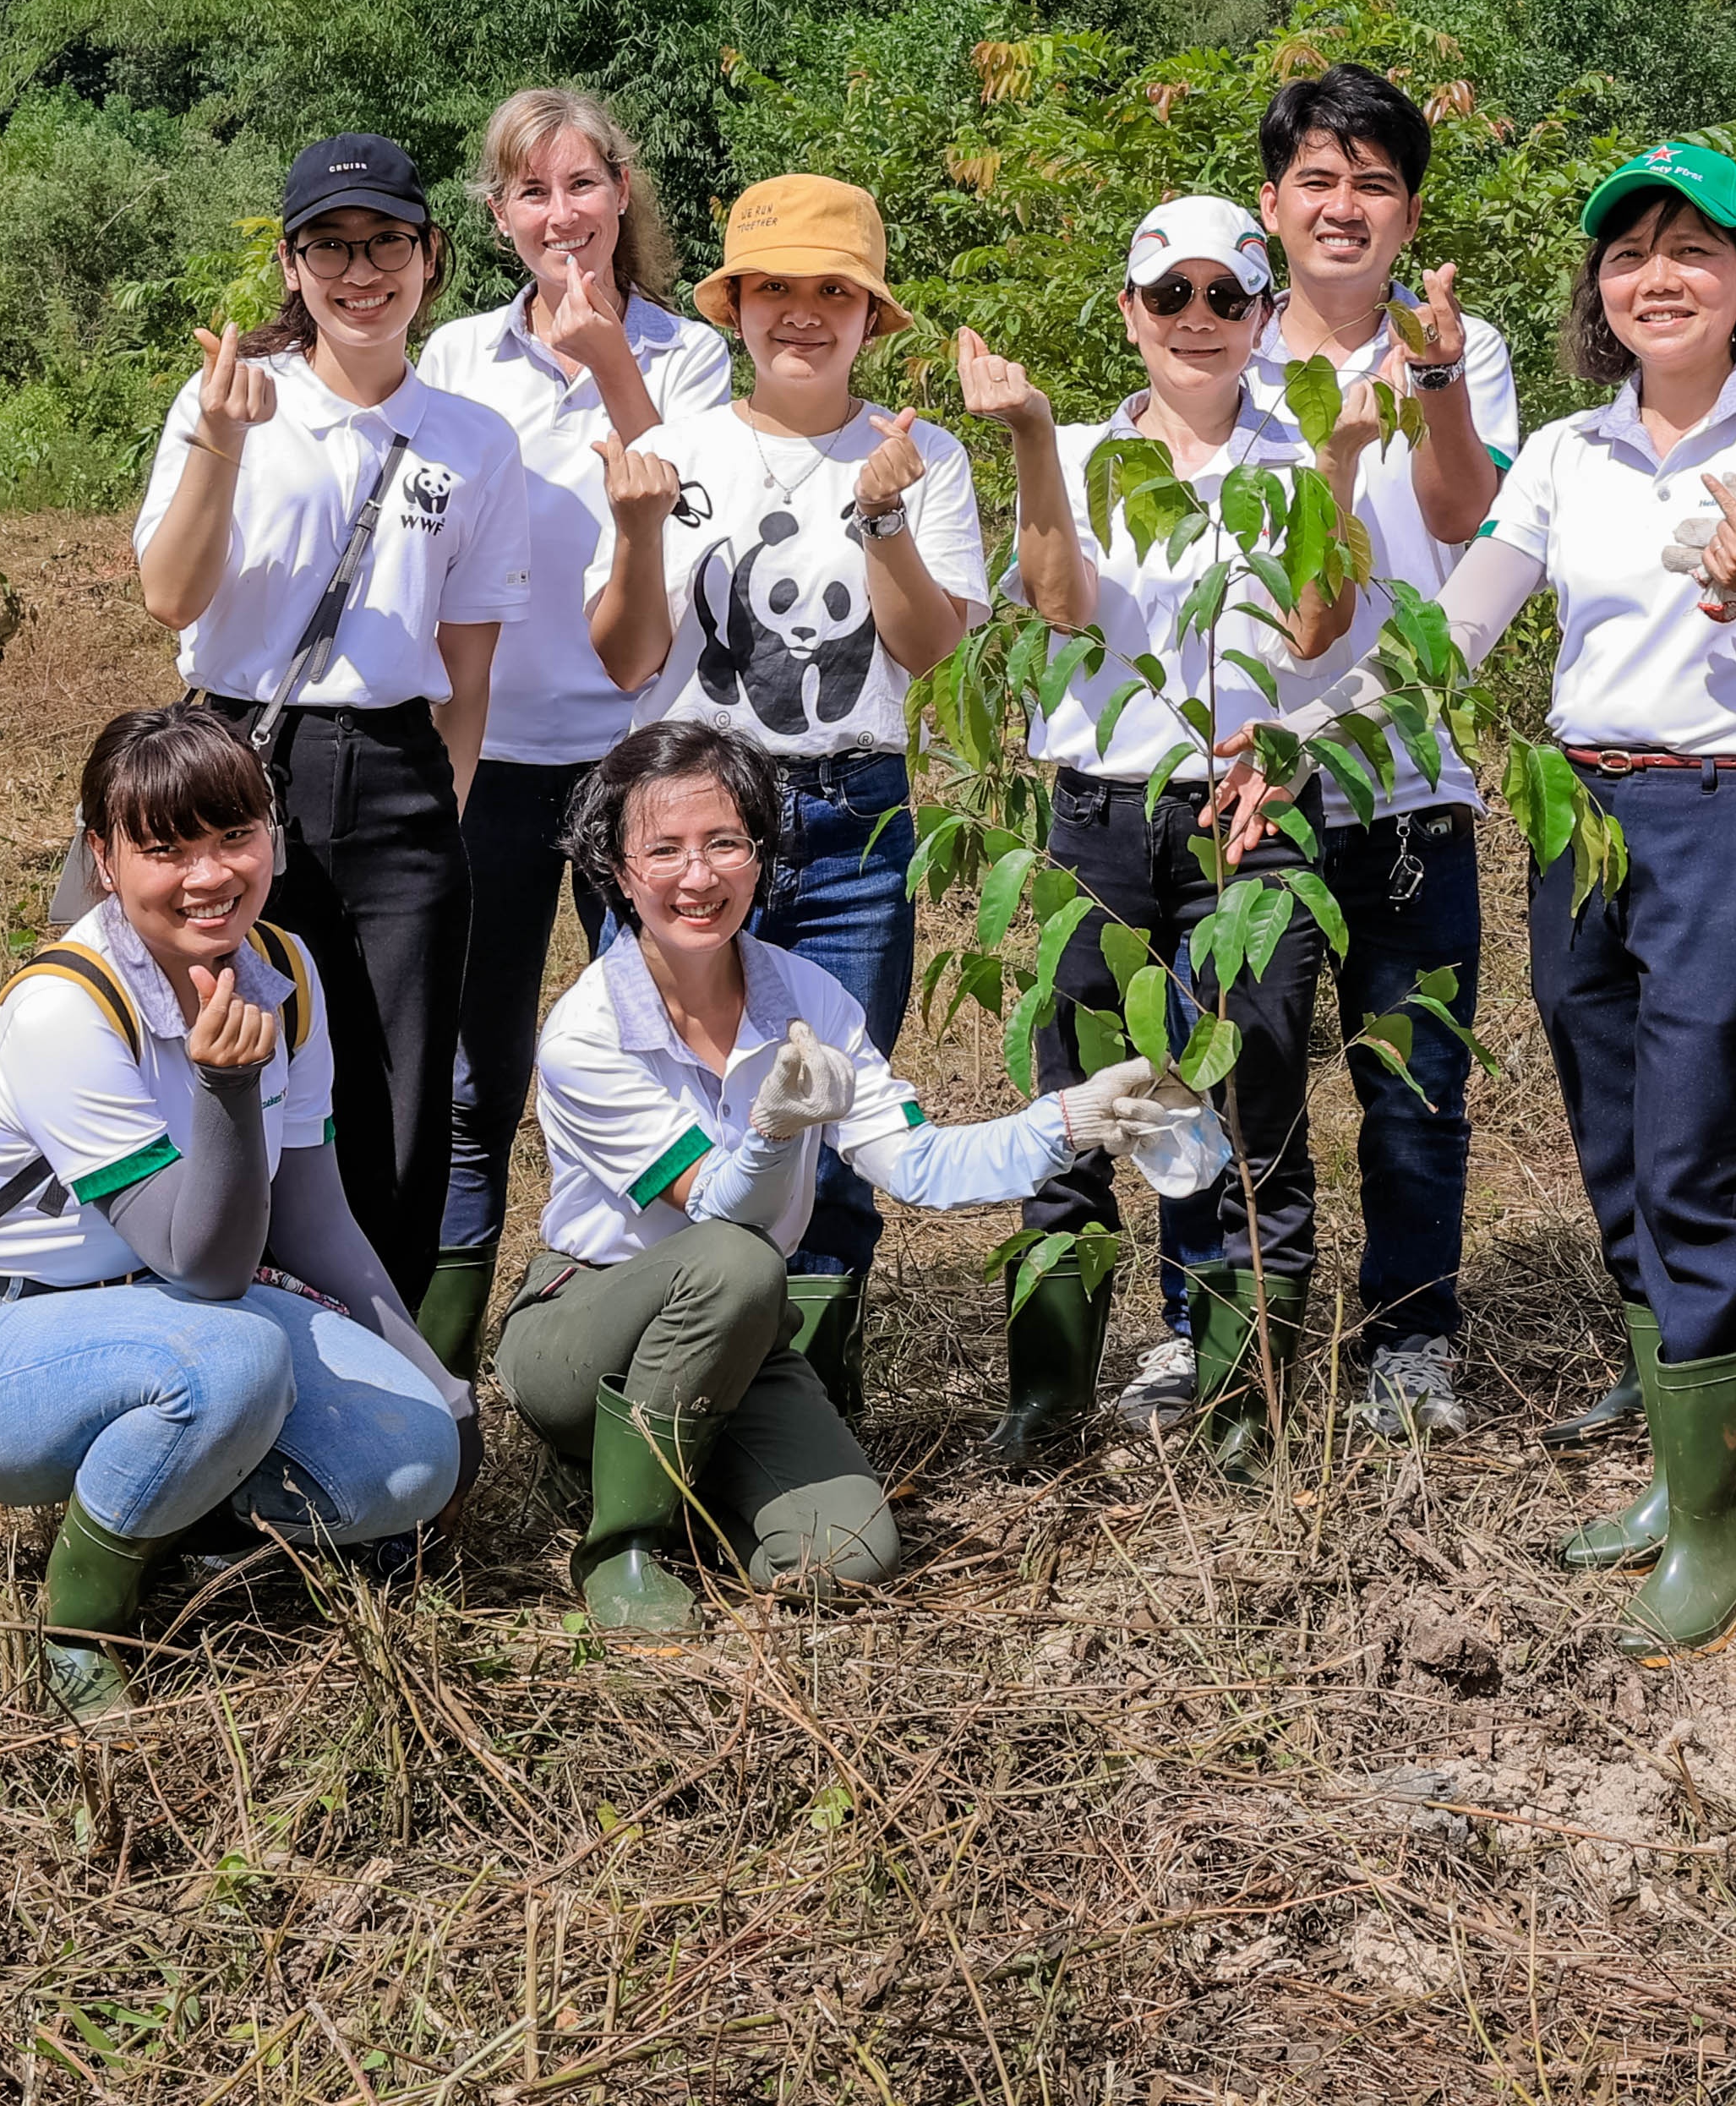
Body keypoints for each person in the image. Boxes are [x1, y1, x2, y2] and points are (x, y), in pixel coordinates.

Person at [1286, 138, 1736, 1647]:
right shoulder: (1567, 454)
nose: (1658, 276)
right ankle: (1674, 1469)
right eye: (1628, 253)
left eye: (1691, 249)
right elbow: (1453, 633)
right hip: (1583, 813)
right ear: (1598, 290)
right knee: (1620, 1152)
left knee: (1697, 1157)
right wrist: (1295, 733)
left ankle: (1730, 1531)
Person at [0, 706, 470, 1722]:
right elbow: (211, 1270)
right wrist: (228, 1093)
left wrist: (433, 1374)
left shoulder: (288, 973)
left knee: (412, 1457)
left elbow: (315, 1218)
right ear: (103, 859)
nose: (209, 875)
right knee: (231, 1362)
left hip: (150, 1315)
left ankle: (174, 1515)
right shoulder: (67, 1007)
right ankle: (83, 1623)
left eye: (235, 836)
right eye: (164, 848)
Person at [502, 721, 1171, 1630]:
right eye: (663, 850)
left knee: (847, 1557)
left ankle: (678, 1479)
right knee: (738, 1265)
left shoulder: (806, 998)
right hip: (585, 1327)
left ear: (761, 854)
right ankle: (621, 1542)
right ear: (618, 872)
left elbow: (922, 1165)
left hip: (736, 1340)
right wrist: (775, 1130)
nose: (698, 878)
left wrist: (1072, 1119)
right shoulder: (589, 1032)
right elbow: (724, 1222)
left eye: (724, 844)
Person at [966, 194, 1369, 1470]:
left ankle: (1244, 1398)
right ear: (1130, 308)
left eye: (1228, 296)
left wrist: (1345, 468)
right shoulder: (1083, 448)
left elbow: (1315, 635)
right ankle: (1046, 1397)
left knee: (1248, 1098)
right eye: (1169, 295)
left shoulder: (1301, 456)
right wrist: (1031, 432)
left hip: (1252, 815)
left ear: (1261, 314)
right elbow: (1064, 606)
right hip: (1099, 813)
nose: (1198, 321)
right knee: (1080, 1103)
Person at [585, 176, 988, 1423]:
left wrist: (880, 520)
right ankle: (657, 1392)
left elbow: (930, 654)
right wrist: (641, 529)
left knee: (836, 1121)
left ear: (873, 315)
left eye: (833, 291)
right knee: (669, 1117)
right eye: (776, 289)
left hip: (856, 818)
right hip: (688, 820)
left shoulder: (926, 460)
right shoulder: (680, 450)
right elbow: (625, 658)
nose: (802, 316)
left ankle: (801, 1411)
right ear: (736, 305)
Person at [131, 133, 537, 1300]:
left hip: (401, 771)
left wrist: (438, 808)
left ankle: (386, 1366)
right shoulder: (231, 404)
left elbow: (469, 662)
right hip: (241, 764)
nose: (362, 275)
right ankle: (247, 1338)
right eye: (331, 249)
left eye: (387, 246)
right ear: (292, 262)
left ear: (431, 254)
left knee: (399, 1089)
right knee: (237, 1056)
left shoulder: (474, 441)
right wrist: (220, 440)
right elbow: (170, 594)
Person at [409, 90, 734, 1379]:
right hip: (484, 758)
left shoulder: (688, 354)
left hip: (638, 759)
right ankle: (437, 1374)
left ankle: (639, 1352)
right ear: (496, 216)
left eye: (582, 187)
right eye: (530, 194)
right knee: (474, 1080)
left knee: (658, 1065)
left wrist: (608, 357)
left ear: (621, 194)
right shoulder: (454, 358)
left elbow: (682, 505)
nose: (561, 217)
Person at [1246, 62, 1518, 1446]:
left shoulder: (1453, 346)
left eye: (1374, 182)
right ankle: (1252, 1339)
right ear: (1271, 201)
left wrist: (1436, 375)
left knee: (1414, 1087)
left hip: (1412, 783)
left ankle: (1412, 1339)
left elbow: (1468, 515)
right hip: (1257, 784)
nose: (1344, 206)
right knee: (1254, 1072)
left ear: (1409, 213)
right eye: (1319, 178)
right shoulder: (1218, 340)